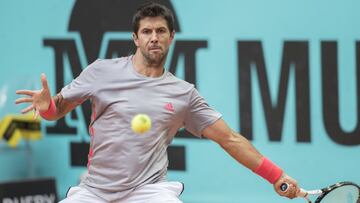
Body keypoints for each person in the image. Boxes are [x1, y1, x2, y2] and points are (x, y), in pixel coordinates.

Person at [15, 2, 300, 203]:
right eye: (147, 32)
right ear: (135, 38)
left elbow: (230, 139)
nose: (154, 38)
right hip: (95, 191)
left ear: (171, 37)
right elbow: (57, 110)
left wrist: (276, 176)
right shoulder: (101, 71)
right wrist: (48, 107)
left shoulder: (183, 94)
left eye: (161, 31)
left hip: (148, 191)